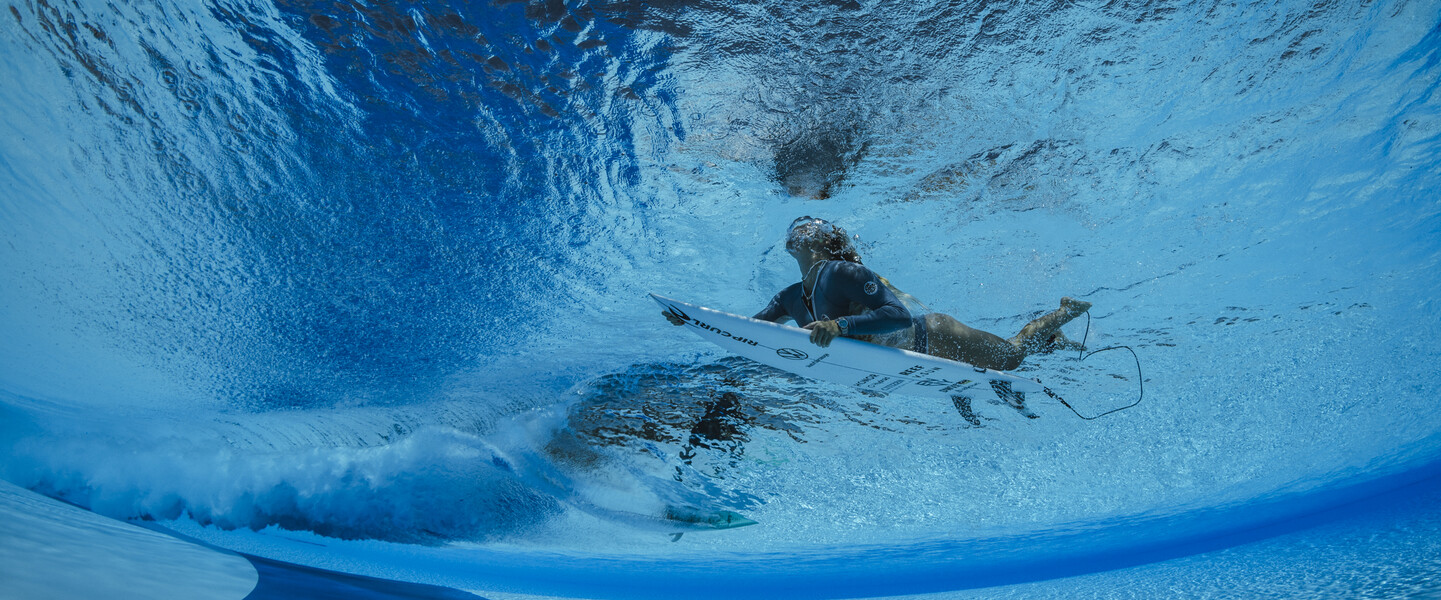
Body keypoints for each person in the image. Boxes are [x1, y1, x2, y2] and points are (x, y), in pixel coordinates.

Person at [663, 216, 1092, 417]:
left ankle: (1062, 314)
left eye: (808, 225)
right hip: (921, 363)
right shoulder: (791, 297)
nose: (798, 228)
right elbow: (754, 333)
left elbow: (899, 316)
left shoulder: (843, 273)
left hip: (934, 337)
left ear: (823, 241)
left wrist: (839, 325)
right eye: (796, 226)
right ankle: (1051, 344)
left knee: (1012, 357)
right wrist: (697, 323)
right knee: (1003, 363)